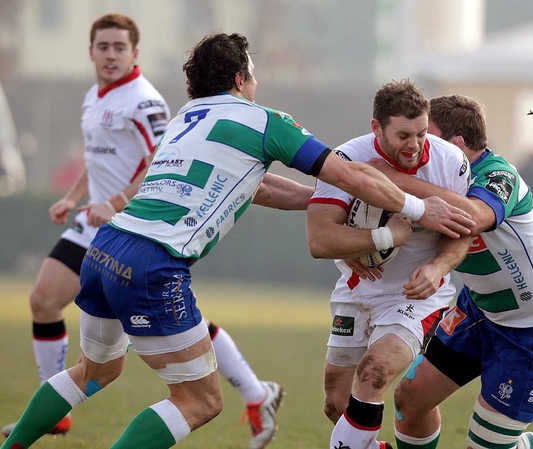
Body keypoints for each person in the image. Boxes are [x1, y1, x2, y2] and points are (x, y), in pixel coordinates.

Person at [0, 33, 472, 449]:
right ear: (240, 76)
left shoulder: (189, 115)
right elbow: (348, 173)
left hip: (106, 247)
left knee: (95, 371)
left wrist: (322, 201)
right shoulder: (263, 120)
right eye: (254, 73)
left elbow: (257, 186)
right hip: (152, 261)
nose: (257, 83)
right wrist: (415, 209)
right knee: (200, 401)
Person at [0, 15, 290, 449]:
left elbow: (166, 164)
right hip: (105, 228)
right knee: (49, 303)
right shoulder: (94, 98)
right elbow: (96, 160)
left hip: (130, 225)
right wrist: (77, 196)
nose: (111, 54)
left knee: (152, 327)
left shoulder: (147, 103)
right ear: (91, 51)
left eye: (120, 46)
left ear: (135, 53)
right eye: (104, 46)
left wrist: (114, 203)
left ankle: (253, 390)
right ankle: (253, 391)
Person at [368, 94, 533, 449]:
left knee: (488, 447)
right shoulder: (441, 180)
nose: (417, 148)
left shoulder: (498, 176)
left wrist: (393, 180)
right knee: (410, 399)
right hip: (480, 311)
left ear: (457, 145)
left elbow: (473, 216)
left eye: (426, 139)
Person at [306, 79, 473, 449]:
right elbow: (320, 240)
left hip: (416, 296)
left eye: (421, 133)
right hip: (357, 289)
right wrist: (384, 237)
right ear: (376, 128)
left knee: (373, 374)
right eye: (402, 135)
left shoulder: (449, 161)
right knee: (338, 405)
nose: (414, 145)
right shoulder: (346, 160)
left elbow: (462, 228)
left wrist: (437, 268)